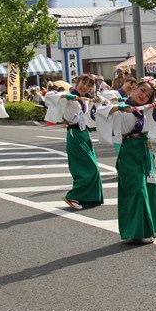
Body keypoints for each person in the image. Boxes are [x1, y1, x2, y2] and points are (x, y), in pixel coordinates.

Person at [109, 81, 156, 244]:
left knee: (150, 187)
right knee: (136, 189)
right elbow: (102, 109)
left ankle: (152, 227)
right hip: (128, 150)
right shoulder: (121, 106)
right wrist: (118, 108)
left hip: (145, 149)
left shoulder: (147, 109)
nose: (144, 96)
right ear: (133, 89)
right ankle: (137, 231)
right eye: (142, 91)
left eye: (148, 95)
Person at [61, 74, 104, 210]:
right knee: (86, 167)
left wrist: (97, 100)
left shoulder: (86, 99)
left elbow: (106, 102)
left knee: (93, 167)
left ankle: (90, 198)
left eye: (89, 85)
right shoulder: (68, 96)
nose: (85, 87)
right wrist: (67, 97)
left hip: (84, 133)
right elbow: (52, 96)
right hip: (75, 134)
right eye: (83, 83)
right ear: (77, 82)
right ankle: (73, 195)